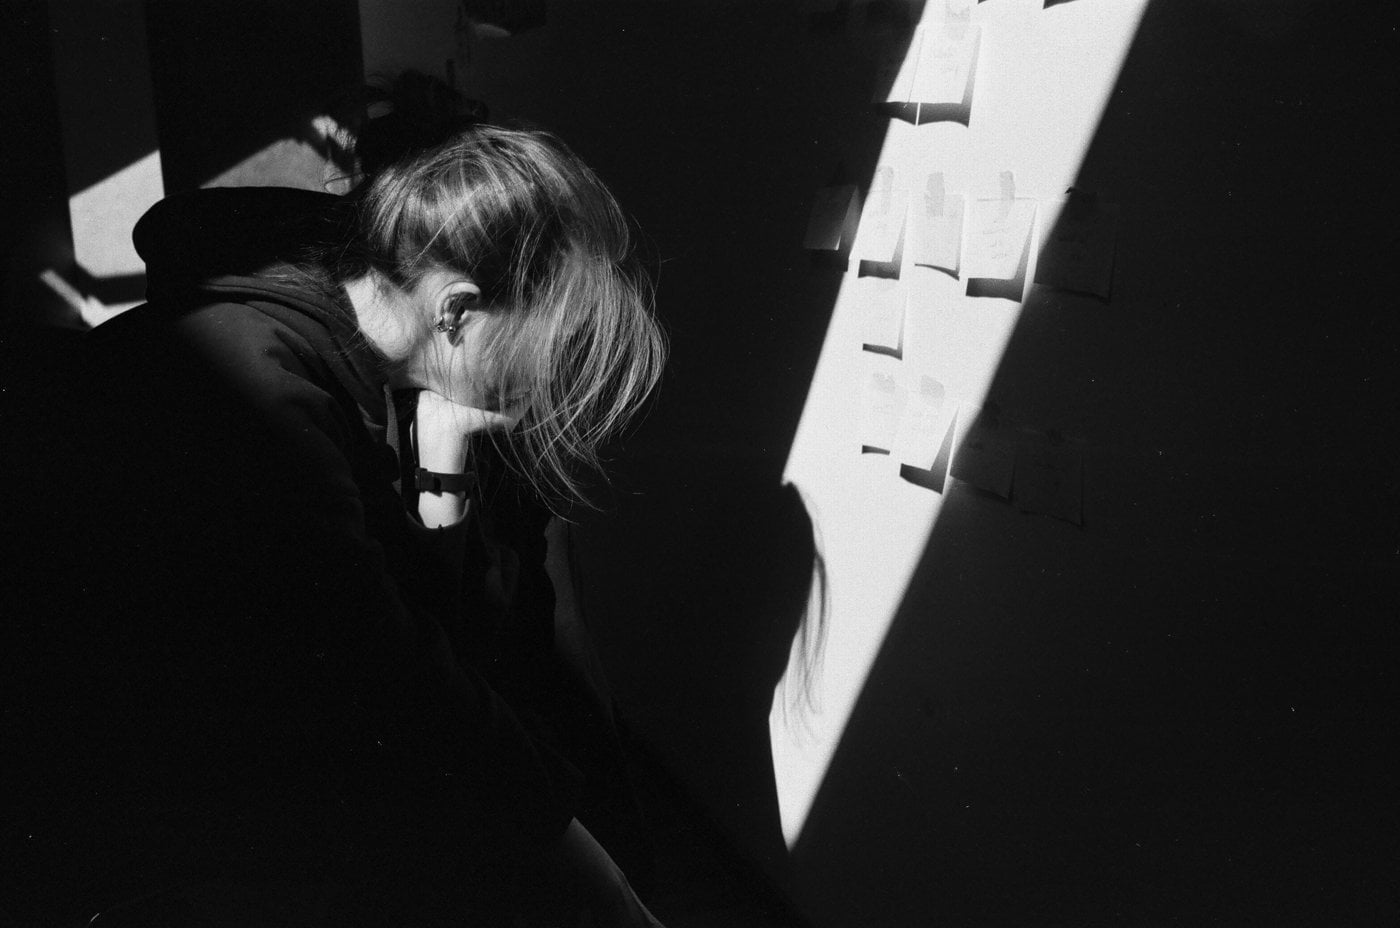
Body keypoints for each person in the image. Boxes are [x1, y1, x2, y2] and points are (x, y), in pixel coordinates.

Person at [0, 112, 666, 926]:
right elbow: (397, 691)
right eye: (549, 346)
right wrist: (590, 874)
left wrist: (446, 461)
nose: (545, 380)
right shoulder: (250, 387)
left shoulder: (364, 361)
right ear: (455, 312)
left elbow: (437, 646)